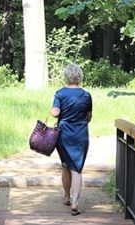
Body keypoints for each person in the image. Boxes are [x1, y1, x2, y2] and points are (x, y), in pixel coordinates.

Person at [50, 63, 92, 216]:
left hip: (64, 135)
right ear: (80, 77)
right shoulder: (86, 95)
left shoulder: (60, 94)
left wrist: (55, 110)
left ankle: (67, 196)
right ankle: (75, 202)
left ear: (66, 77)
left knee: (65, 165)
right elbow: (89, 116)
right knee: (77, 169)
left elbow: (55, 113)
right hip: (81, 135)